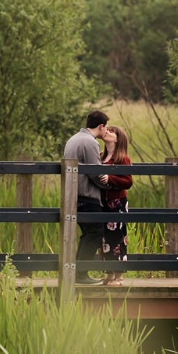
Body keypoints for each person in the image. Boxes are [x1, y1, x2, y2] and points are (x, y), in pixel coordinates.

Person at [62, 110, 111, 284]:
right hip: (87, 195)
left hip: (73, 194)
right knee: (95, 233)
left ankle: (76, 273)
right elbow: (94, 172)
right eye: (106, 128)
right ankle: (80, 275)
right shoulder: (90, 142)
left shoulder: (73, 139)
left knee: (88, 233)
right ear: (100, 126)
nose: (106, 132)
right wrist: (109, 183)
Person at [99, 126, 133, 286]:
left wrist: (110, 178)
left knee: (118, 237)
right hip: (102, 203)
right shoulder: (101, 157)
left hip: (117, 202)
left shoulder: (123, 158)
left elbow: (128, 182)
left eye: (112, 132)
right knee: (104, 238)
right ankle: (109, 273)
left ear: (118, 139)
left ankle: (119, 275)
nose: (107, 132)